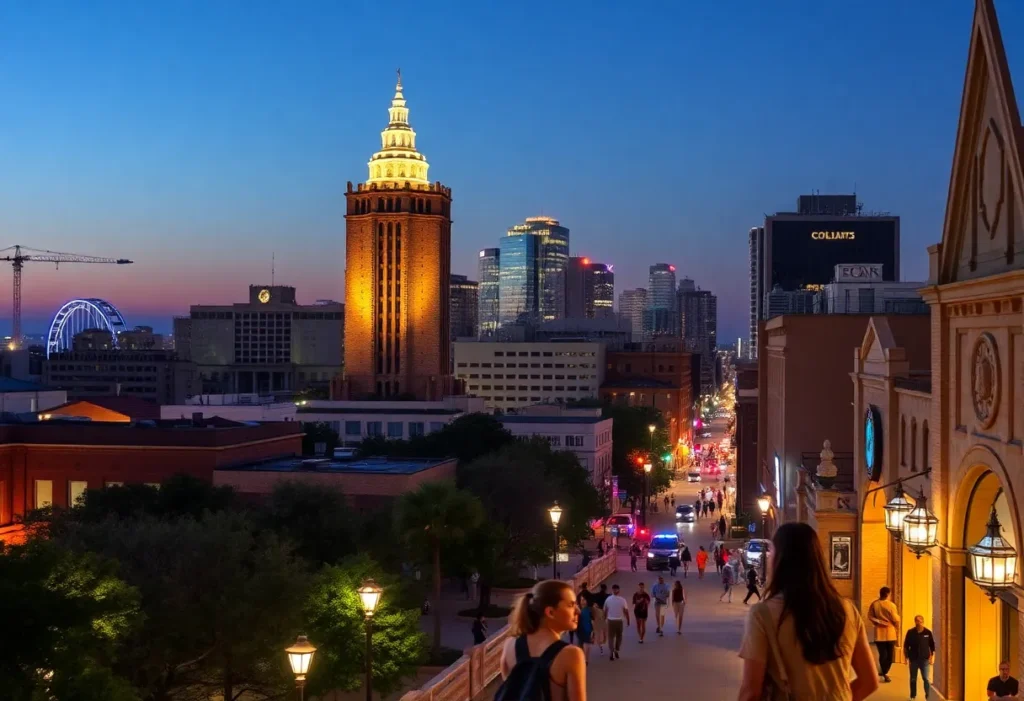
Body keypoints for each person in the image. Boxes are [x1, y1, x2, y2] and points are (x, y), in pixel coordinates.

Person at [737, 522, 879, 701]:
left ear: (780, 560)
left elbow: (752, 691)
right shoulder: (847, 610)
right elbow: (869, 682)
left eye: (772, 551)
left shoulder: (762, 615)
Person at [499, 580, 587, 701]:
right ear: (550, 612)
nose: (578, 611)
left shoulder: (510, 644)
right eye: (571, 605)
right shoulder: (571, 654)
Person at [868, 586, 901, 684]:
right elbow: (896, 619)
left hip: (879, 632)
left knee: (882, 654)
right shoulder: (891, 605)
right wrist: (897, 629)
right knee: (890, 655)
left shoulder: (874, 604)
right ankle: (885, 672)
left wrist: (878, 621)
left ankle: (883, 671)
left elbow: (870, 616)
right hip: (890, 632)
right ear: (888, 594)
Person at [902, 615, 934, 699]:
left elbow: (932, 646)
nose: (918, 623)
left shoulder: (928, 632)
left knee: (926, 679)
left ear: (923, 622)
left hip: (924, 659)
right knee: (913, 678)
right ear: (915, 622)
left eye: (920, 621)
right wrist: (906, 658)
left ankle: (928, 695)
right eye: (917, 621)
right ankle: (913, 695)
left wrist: (932, 657)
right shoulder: (910, 632)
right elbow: (906, 645)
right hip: (914, 659)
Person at [602, 584, 630, 661]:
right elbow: (626, 611)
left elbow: (605, 611)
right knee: (619, 636)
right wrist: (628, 620)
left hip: (610, 621)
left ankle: (612, 651)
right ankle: (616, 649)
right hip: (619, 621)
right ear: (619, 591)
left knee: (610, 637)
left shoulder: (608, 599)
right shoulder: (622, 600)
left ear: (612, 590)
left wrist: (604, 620)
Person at [591, 584, 609, 654]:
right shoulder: (608, 596)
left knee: (598, 630)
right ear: (606, 589)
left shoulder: (596, 595)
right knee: (604, 630)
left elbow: (591, 600)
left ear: (600, 588)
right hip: (605, 613)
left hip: (598, 613)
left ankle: (599, 643)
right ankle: (604, 642)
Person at [576, 599, 594, 664]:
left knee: (585, 644)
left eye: (584, 600)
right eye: (581, 600)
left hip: (586, 629)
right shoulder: (581, 609)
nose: (582, 601)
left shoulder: (588, 610)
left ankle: (585, 659)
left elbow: (592, 621)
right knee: (582, 644)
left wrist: (593, 631)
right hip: (580, 629)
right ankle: (584, 659)